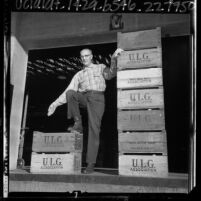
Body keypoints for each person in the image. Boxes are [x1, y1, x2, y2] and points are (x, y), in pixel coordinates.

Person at [47, 48, 123, 174]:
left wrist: (114, 58)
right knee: (71, 93)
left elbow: (110, 74)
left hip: (97, 98)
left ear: (91, 56)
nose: (84, 58)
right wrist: (55, 104)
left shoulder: (100, 67)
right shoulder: (79, 74)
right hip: (84, 97)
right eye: (82, 56)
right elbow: (68, 91)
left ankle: (90, 164)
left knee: (94, 130)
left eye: (86, 56)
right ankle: (78, 123)